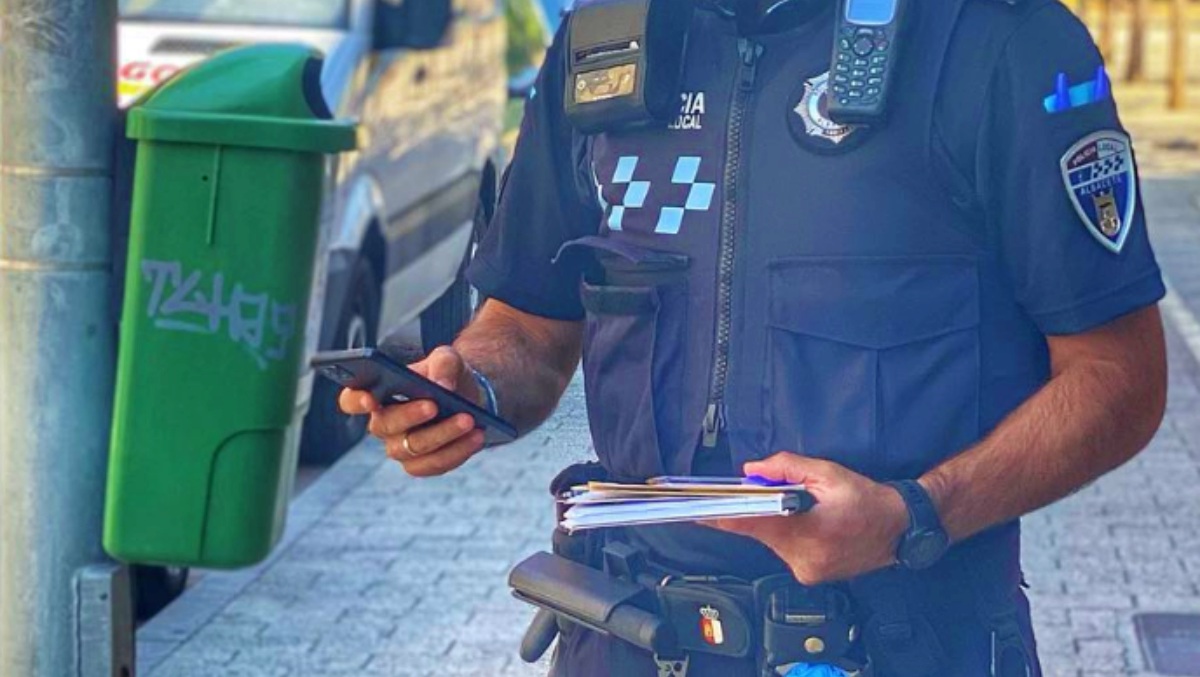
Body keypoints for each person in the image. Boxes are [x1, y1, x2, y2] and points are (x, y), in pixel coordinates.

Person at [340, 0, 1169, 674]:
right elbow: (526, 323)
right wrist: (468, 388)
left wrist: (914, 513)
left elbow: (1118, 374)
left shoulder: (1000, 42)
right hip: (627, 638)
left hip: (902, 640)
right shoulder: (603, 47)